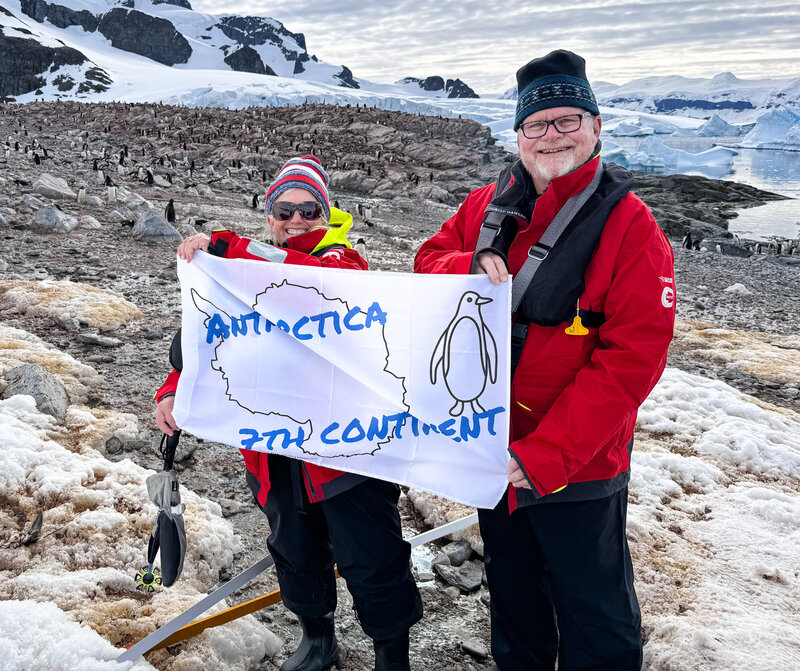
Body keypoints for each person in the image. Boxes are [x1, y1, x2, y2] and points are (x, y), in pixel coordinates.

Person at [414, 51, 676, 671]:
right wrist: (468, 269)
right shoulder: (486, 206)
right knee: (514, 597)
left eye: (567, 121)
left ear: (595, 126)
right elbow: (428, 259)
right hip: (493, 447)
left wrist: (548, 455)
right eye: (538, 124)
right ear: (520, 133)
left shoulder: (633, 229)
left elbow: (631, 359)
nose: (552, 135)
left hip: (576, 464)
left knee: (595, 611)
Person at [155, 156, 422, 671]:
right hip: (274, 450)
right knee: (295, 549)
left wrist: (231, 249)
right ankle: (318, 637)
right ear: (270, 213)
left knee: (373, 556)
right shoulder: (238, 274)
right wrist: (174, 389)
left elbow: (311, 280)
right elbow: (206, 339)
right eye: (285, 209)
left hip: (348, 451)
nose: (297, 220)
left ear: (327, 213)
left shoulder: (346, 264)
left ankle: (393, 654)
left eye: (310, 210)